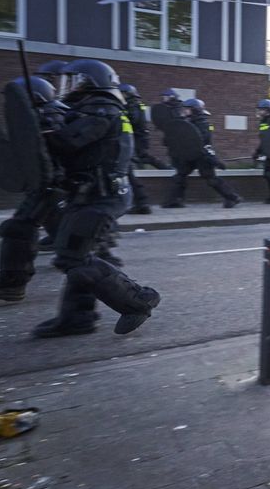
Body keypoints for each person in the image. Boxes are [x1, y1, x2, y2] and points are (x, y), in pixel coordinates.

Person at [32, 59, 160, 337]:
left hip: (102, 197)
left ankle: (139, 300)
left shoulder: (102, 110)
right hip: (90, 194)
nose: (68, 86)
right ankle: (78, 318)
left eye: (75, 80)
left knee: (73, 258)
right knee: (75, 255)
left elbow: (67, 142)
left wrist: (48, 124)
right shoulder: (89, 109)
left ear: (92, 82)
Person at [0, 76, 69, 302]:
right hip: (44, 187)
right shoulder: (36, 117)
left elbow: (52, 155)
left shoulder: (51, 117)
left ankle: (13, 283)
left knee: (20, 229)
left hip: (53, 187)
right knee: (61, 239)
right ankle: (13, 282)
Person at [163, 98, 241, 208]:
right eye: (184, 109)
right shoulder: (187, 122)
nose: (184, 111)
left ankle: (232, 197)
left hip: (202, 155)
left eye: (187, 109)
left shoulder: (203, 124)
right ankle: (174, 200)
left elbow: (201, 140)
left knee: (210, 178)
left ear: (195, 110)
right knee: (180, 176)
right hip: (190, 154)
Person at [118, 83, 164, 215]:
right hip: (134, 141)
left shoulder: (133, 106)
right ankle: (142, 202)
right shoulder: (136, 105)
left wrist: (123, 110)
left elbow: (133, 120)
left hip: (134, 141)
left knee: (131, 168)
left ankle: (142, 202)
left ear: (128, 95)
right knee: (132, 169)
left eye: (122, 94)